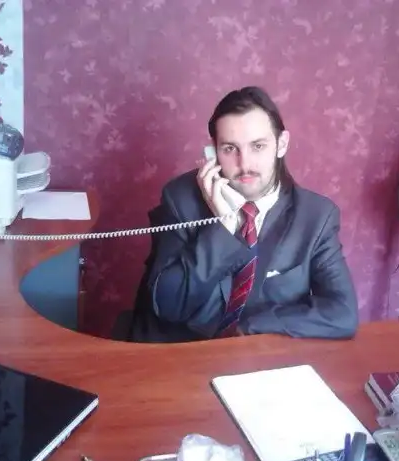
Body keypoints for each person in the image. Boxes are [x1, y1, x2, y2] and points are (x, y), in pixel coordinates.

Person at [134, 86, 358, 342]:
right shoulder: (181, 199)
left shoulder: (316, 217)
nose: (245, 164)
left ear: (281, 144)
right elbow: (167, 306)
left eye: (258, 146)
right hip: (185, 350)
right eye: (230, 149)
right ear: (213, 152)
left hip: (259, 353)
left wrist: (252, 326)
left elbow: (342, 314)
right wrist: (222, 228)